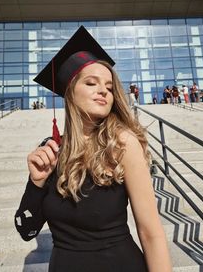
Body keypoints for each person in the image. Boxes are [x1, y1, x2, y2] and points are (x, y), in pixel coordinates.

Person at [14, 26, 172, 272]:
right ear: (70, 93)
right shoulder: (53, 150)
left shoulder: (122, 143)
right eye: (91, 83)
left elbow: (151, 231)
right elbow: (27, 230)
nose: (103, 91)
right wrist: (35, 184)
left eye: (109, 87)